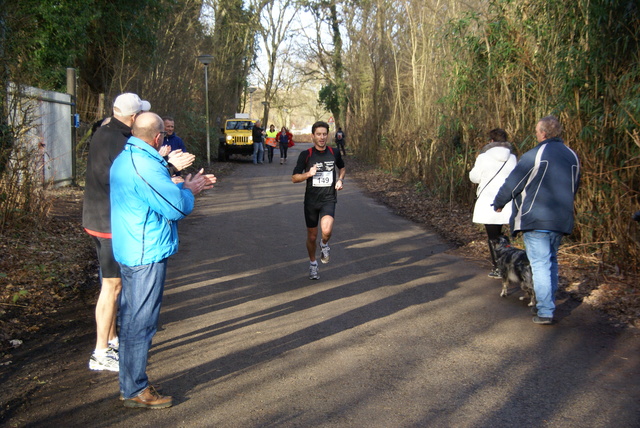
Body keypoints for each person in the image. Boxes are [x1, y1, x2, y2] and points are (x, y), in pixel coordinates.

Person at [110, 112, 216, 408]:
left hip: (133, 248)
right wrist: (190, 189)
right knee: (140, 323)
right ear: (158, 138)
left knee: (132, 320)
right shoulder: (144, 166)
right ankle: (134, 389)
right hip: (145, 253)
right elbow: (174, 207)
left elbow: (161, 195)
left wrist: (182, 186)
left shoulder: (128, 156)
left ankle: (131, 384)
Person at [83, 92, 150, 372]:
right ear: (133, 117)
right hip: (109, 222)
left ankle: (110, 340)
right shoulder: (120, 141)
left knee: (109, 284)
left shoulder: (103, 130)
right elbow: (133, 178)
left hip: (96, 217)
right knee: (112, 286)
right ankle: (100, 353)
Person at [493, 116, 580, 325]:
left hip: (536, 218)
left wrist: (499, 202)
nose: (536, 134)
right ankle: (547, 302)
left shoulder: (536, 154)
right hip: (561, 219)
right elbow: (574, 187)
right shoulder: (572, 156)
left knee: (539, 264)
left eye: (536, 131)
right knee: (551, 261)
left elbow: (514, 183)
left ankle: (545, 310)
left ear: (542, 133)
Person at [292, 121, 346, 280]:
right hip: (311, 201)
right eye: (319, 134)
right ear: (313, 136)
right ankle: (313, 263)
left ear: (327, 135)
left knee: (327, 231)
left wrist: (341, 180)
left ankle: (324, 245)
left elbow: (342, 168)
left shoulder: (334, 152)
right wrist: (308, 174)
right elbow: (294, 178)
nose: (322, 137)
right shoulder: (306, 154)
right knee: (312, 236)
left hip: (328, 198)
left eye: (324, 134)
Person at [469, 128, 517, 278]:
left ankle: (498, 267)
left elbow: (475, 178)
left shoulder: (483, 157)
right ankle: (507, 264)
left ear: (491, 141)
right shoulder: (513, 157)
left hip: (489, 202)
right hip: (507, 201)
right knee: (501, 235)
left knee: (493, 236)